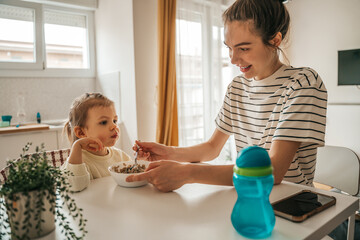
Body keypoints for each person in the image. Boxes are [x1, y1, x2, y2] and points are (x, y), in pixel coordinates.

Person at [126, 0, 327, 193]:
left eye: (244, 48)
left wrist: (188, 172)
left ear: (275, 40)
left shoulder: (303, 83)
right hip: (246, 196)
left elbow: (273, 171)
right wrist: (168, 152)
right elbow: (212, 148)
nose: (233, 59)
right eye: (229, 48)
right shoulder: (237, 87)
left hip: (291, 203)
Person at [61, 93, 148, 192]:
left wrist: (141, 163)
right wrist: (76, 146)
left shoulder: (120, 156)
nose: (114, 126)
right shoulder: (79, 161)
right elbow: (74, 186)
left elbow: (131, 181)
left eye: (114, 120)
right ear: (81, 132)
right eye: (103, 122)